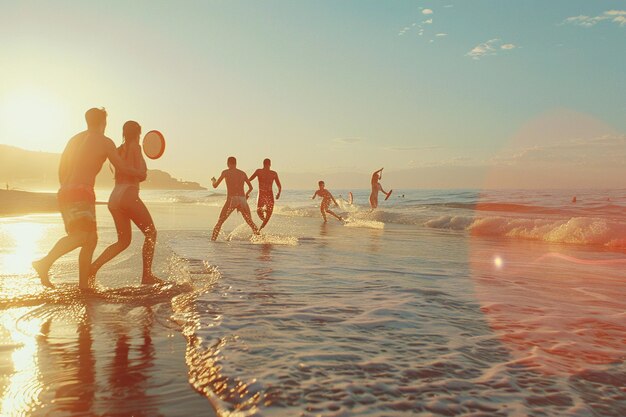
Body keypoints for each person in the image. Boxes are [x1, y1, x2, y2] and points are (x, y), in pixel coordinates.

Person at [32, 108, 144, 289]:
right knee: (82, 236)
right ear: (103, 123)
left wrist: (67, 190)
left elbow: (62, 167)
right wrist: (140, 173)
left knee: (91, 239)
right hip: (81, 192)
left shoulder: (74, 140)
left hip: (65, 191)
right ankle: (44, 262)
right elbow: (121, 168)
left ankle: (84, 286)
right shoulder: (105, 141)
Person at [90, 121, 162, 285]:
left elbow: (124, 171)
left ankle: (93, 268)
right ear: (138, 133)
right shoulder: (135, 147)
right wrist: (142, 171)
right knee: (151, 233)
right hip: (129, 194)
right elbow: (141, 175)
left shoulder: (118, 149)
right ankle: (147, 276)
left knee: (123, 242)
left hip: (114, 197)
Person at [210, 156, 260, 240]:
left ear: (228, 163)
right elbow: (250, 187)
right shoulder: (242, 173)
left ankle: (213, 240)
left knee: (220, 221)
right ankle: (260, 238)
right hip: (242, 199)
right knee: (250, 222)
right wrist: (246, 195)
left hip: (232, 199)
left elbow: (215, 186)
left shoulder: (225, 172)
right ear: (236, 163)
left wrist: (213, 180)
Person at [249, 158, 282, 230]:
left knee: (262, 212)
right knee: (263, 212)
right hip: (266, 194)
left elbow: (249, 180)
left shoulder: (262, 172)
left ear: (263, 164)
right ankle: (262, 226)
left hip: (263, 193)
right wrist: (278, 193)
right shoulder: (271, 173)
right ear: (270, 164)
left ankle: (260, 229)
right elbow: (279, 186)